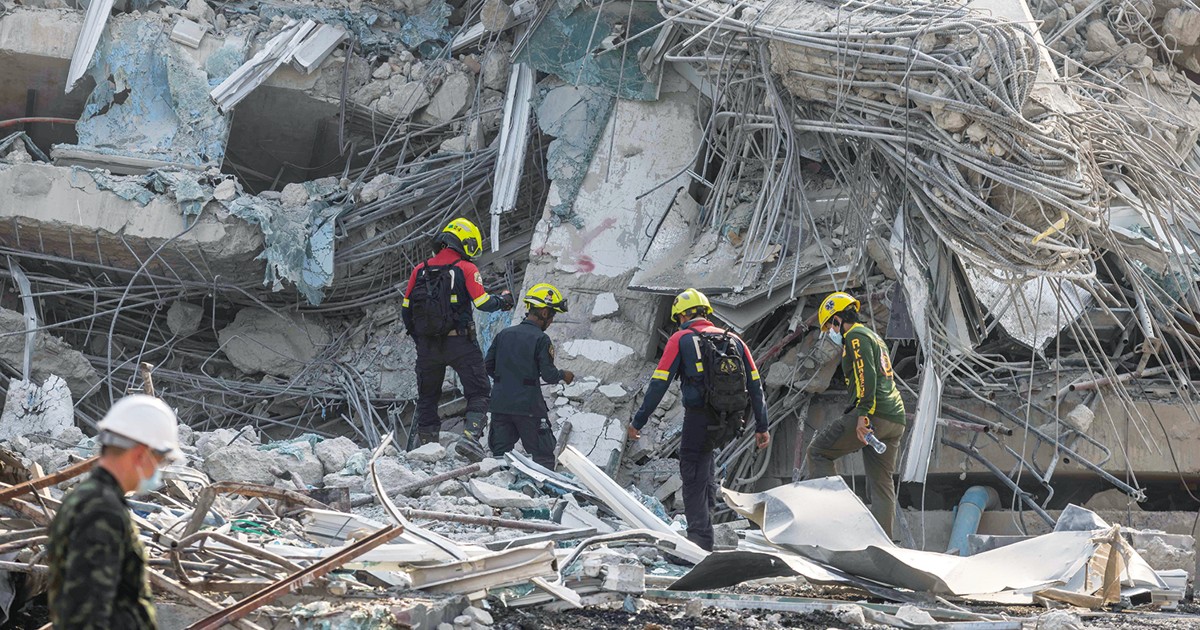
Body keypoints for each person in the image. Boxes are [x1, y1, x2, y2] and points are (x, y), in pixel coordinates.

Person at [627, 288, 769, 552]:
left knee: (692, 473)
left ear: (682, 316)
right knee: (706, 467)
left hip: (699, 417)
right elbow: (755, 384)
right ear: (706, 313)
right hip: (732, 419)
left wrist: (639, 421)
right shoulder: (735, 340)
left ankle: (698, 542)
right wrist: (762, 426)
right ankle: (708, 532)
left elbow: (659, 383)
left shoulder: (681, 339)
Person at [48, 395, 183, 630]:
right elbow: (87, 616)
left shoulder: (88, 498)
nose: (159, 471)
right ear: (141, 454)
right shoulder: (101, 510)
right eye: (160, 461)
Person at [402, 217, 514, 448]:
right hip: (460, 342)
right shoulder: (466, 268)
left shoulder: (419, 270)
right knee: (479, 391)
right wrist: (503, 301)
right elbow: (482, 302)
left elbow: (406, 310)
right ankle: (470, 440)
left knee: (427, 397)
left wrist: (420, 340)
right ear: (466, 243)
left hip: (428, 346)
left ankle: (427, 447)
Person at [805, 291, 907, 539]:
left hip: (873, 414)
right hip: (895, 417)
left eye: (831, 326)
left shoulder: (855, 336)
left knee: (818, 453)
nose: (831, 332)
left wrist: (863, 415)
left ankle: (839, 523)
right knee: (882, 485)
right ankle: (883, 545)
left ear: (838, 319)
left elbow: (866, 375)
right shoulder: (874, 337)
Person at [485, 283, 575, 469]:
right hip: (528, 407)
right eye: (552, 315)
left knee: (501, 456)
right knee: (543, 457)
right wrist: (564, 375)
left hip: (500, 404)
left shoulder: (504, 334)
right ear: (544, 312)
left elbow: (488, 366)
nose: (551, 321)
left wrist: (507, 381)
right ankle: (547, 488)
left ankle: (500, 485)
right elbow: (549, 375)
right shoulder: (541, 339)